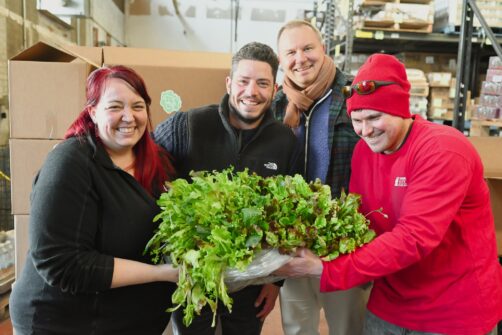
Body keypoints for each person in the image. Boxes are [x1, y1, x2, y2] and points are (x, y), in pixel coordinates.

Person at [274, 53, 502, 335]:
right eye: (357, 119)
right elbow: (362, 220)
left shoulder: (442, 150)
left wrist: (324, 268)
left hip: (451, 311)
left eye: (374, 117)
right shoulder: (363, 152)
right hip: (389, 306)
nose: (365, 130)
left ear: (401, 110)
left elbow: (414, 238)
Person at [9, 66, 179, 335]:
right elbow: (62, 264)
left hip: (126, 322)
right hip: (62, 323)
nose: (129, 117)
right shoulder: (70, 163)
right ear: (92, 112)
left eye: (138, 106)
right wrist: (163, 273)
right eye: (115, 106)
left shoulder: (158, 162)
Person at [153, 41, 299, 335]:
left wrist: (274, 281)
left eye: (262, 83)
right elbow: (144, 170)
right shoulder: (189, 125)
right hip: (193, 275)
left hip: (252, 280)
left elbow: (291, 211)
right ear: (229, 83)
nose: (252, 91)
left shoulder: (285, 141)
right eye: (243, 81)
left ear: (275, 89)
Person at [271, 19, 366, 335]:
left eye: (308, 48)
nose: (300, 59)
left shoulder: (354, 95)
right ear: (281, 60)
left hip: (345, 245)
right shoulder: (277, 105)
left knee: (348, 327)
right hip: (293, 243)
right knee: (298, 327)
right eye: (291, 52)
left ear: (323, 49)